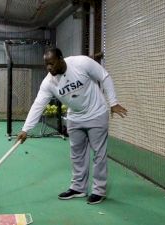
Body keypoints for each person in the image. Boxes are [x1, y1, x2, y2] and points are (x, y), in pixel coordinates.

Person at [16, 48, 127, 205]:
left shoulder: (81, 63)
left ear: (61, 59)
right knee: (76, 154)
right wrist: (25, 129)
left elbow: (105, 76)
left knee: (99, 154)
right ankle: (78, 188)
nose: (49, 68)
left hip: (96, 113)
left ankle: (99, 190)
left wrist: (113, 102)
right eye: (46, 65)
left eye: (51, 64)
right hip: (75, 117)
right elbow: (38, 104)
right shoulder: (48, 82)